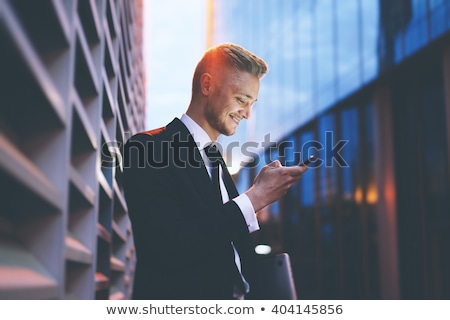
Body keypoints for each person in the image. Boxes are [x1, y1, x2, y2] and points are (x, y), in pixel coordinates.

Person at [123, 43, 308, 300]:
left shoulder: (216, 160)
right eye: (242, 99)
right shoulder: (147, 149)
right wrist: (254, 198)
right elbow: (168, 247)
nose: (247, 113)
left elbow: (224, 245)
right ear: (207, 85)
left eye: (252, 103)